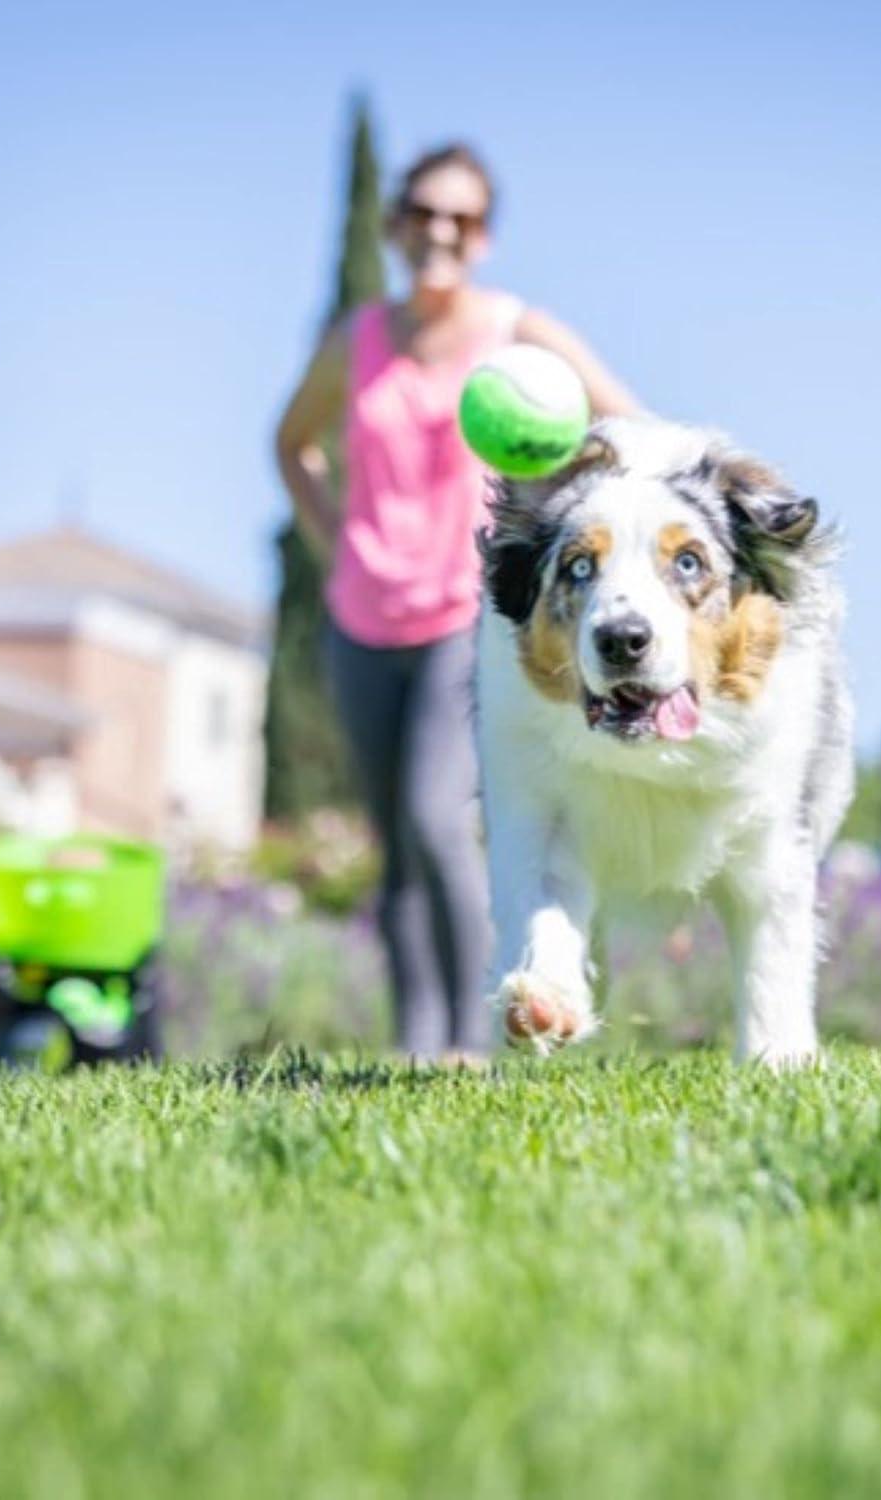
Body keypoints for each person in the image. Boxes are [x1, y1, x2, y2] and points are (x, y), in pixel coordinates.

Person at [275, 142, 637, 1059]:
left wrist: (571, 541)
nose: (441, 232)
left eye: (462, 219)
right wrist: (334, 541)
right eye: (425, 214)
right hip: (362, 618)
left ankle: (483, 1036)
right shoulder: (355, 340)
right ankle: (418, 1046)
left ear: (484, 236)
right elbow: (291, 445)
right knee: (395, 840)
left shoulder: (517, 332)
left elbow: (631, 425)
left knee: (439, 820)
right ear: (397, 226)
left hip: (460, 616)